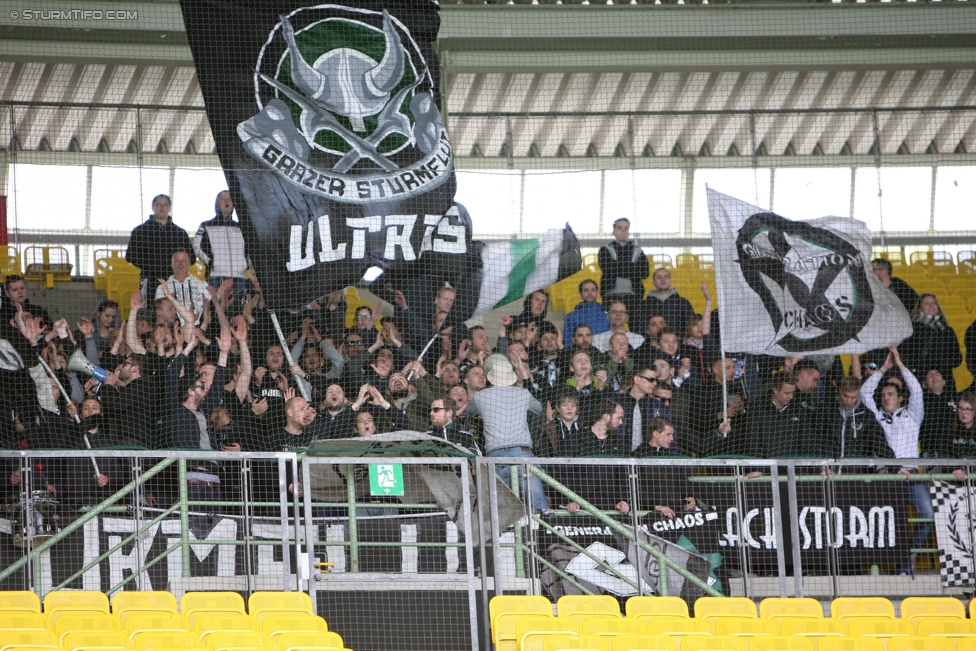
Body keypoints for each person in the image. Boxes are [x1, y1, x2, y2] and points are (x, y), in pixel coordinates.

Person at [859, 346, 927, 574]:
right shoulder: (877, 416)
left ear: (900, 398)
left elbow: (917, 391)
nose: (886, 397)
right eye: (884, 394)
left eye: (890, 394)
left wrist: (901, 366)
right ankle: (892, 568)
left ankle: (909, 551)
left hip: (911, 477)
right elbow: (864, 394)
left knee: (927, 514)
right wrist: (883, 370)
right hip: (886, 476)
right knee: (893, 521)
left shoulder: (912, 415)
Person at [465, 355, 550, 514]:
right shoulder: (523, 393)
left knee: (499, 505)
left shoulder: (481, 396)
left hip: (496, 455)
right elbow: (539, 410)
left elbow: (467, 412)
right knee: (536, 499)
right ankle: (545, 522)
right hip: (522, 452)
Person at [561, 399, 630, 515]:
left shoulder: (620, 443)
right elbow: (562, 473)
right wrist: (569, 500)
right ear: (606, 417)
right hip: (579, 508)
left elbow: (623, 476)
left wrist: (624, 500)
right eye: (619, 417)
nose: (621, 422)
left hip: (612, 507)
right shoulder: (575, 440)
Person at [126, 194, 195, 294]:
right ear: (153, 207)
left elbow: (191, 257)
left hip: (176, 281)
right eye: (158, 204)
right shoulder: (140, 231)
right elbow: (130, 256)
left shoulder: (180, 233)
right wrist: (152, 266)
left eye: (165, 205)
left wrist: (176, 267)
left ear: (169, 208)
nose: (162, 207)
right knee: (150, 309)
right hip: (150, 281)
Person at [816, 376, 890, 465]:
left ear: (858, 394)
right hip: (828, 470)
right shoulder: (826, 410)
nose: (848, 401)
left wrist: (897, 467)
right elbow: (815, 440)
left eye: (853, 397)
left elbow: (879, 444)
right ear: (840, 390)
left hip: (853, 472)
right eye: (845, 396)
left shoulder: (866, 415)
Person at [900, 293, 963, 391]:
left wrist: (940, 369)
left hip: (944, 380)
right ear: (920, 308)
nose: (931, 306)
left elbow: (957, 359)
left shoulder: (947, 330)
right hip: (920, 379)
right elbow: (904, 353)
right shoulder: (912, 328)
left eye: (934, 303)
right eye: (927, 303)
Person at [194, 190, 248, 296]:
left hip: (239, 277)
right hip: (215, 276)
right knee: (216, 308)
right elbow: (197, 247)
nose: (226, 201)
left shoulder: (241, 227)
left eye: (229, 199)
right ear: (217, 203)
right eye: (222, 199)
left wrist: (244, 264)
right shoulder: (206, 225)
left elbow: (250, 248)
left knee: (238, 309)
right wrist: (212, 262)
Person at [741, 374, 804, 458]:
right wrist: (760, 467)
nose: (791, 397)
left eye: (793, 392)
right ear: (775, 389)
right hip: (765, 466)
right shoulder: (757, 408)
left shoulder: (798, 409)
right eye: (787, 393)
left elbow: (805, 440)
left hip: (793, 466)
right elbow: (753, 441)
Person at [598, 217, 649, 316]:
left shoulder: (638, 250)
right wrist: (632, 267)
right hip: (610, 296)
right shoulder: (605, 250)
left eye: (626, 228)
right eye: (619, 228)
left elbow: (645, 273)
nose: (623, 231)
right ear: (614, 232)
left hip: (634, 298)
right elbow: (607, 268)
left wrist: (617, 266)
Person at [155, 249, 209, 326]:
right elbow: (159, 317)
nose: (180, 264)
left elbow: (211, 309)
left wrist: (209, 303)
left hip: (198, 329)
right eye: (177, 261)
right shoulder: (162, 288)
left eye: (183, 260)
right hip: (173, 330)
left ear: (189, 263)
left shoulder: (202, 285)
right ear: (171, 264)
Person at [640, 267, 696, 339]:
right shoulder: (644, 305)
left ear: (670, 282)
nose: (663, 279)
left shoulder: (683, 303)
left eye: (666, 276)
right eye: (659, 277)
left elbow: (690, 326)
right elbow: (640, 329)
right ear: (653, 283)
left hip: (679, 346)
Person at [920, 368, 959, 457]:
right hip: (931, 449)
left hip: (954, 447)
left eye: (937, 374)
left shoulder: (955, 398)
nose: (934, 376)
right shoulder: (921, 402)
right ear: (925, 384)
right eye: (930, 375)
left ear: (944, 382)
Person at [563, 279, 611, 349]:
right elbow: (568, 342)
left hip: (604, 357)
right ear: (580, 295)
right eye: (586, 290)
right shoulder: (570, 317)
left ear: (597, 293)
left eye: (593, 290)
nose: (590, 293)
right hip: (580, 357)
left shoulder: (607, 315)